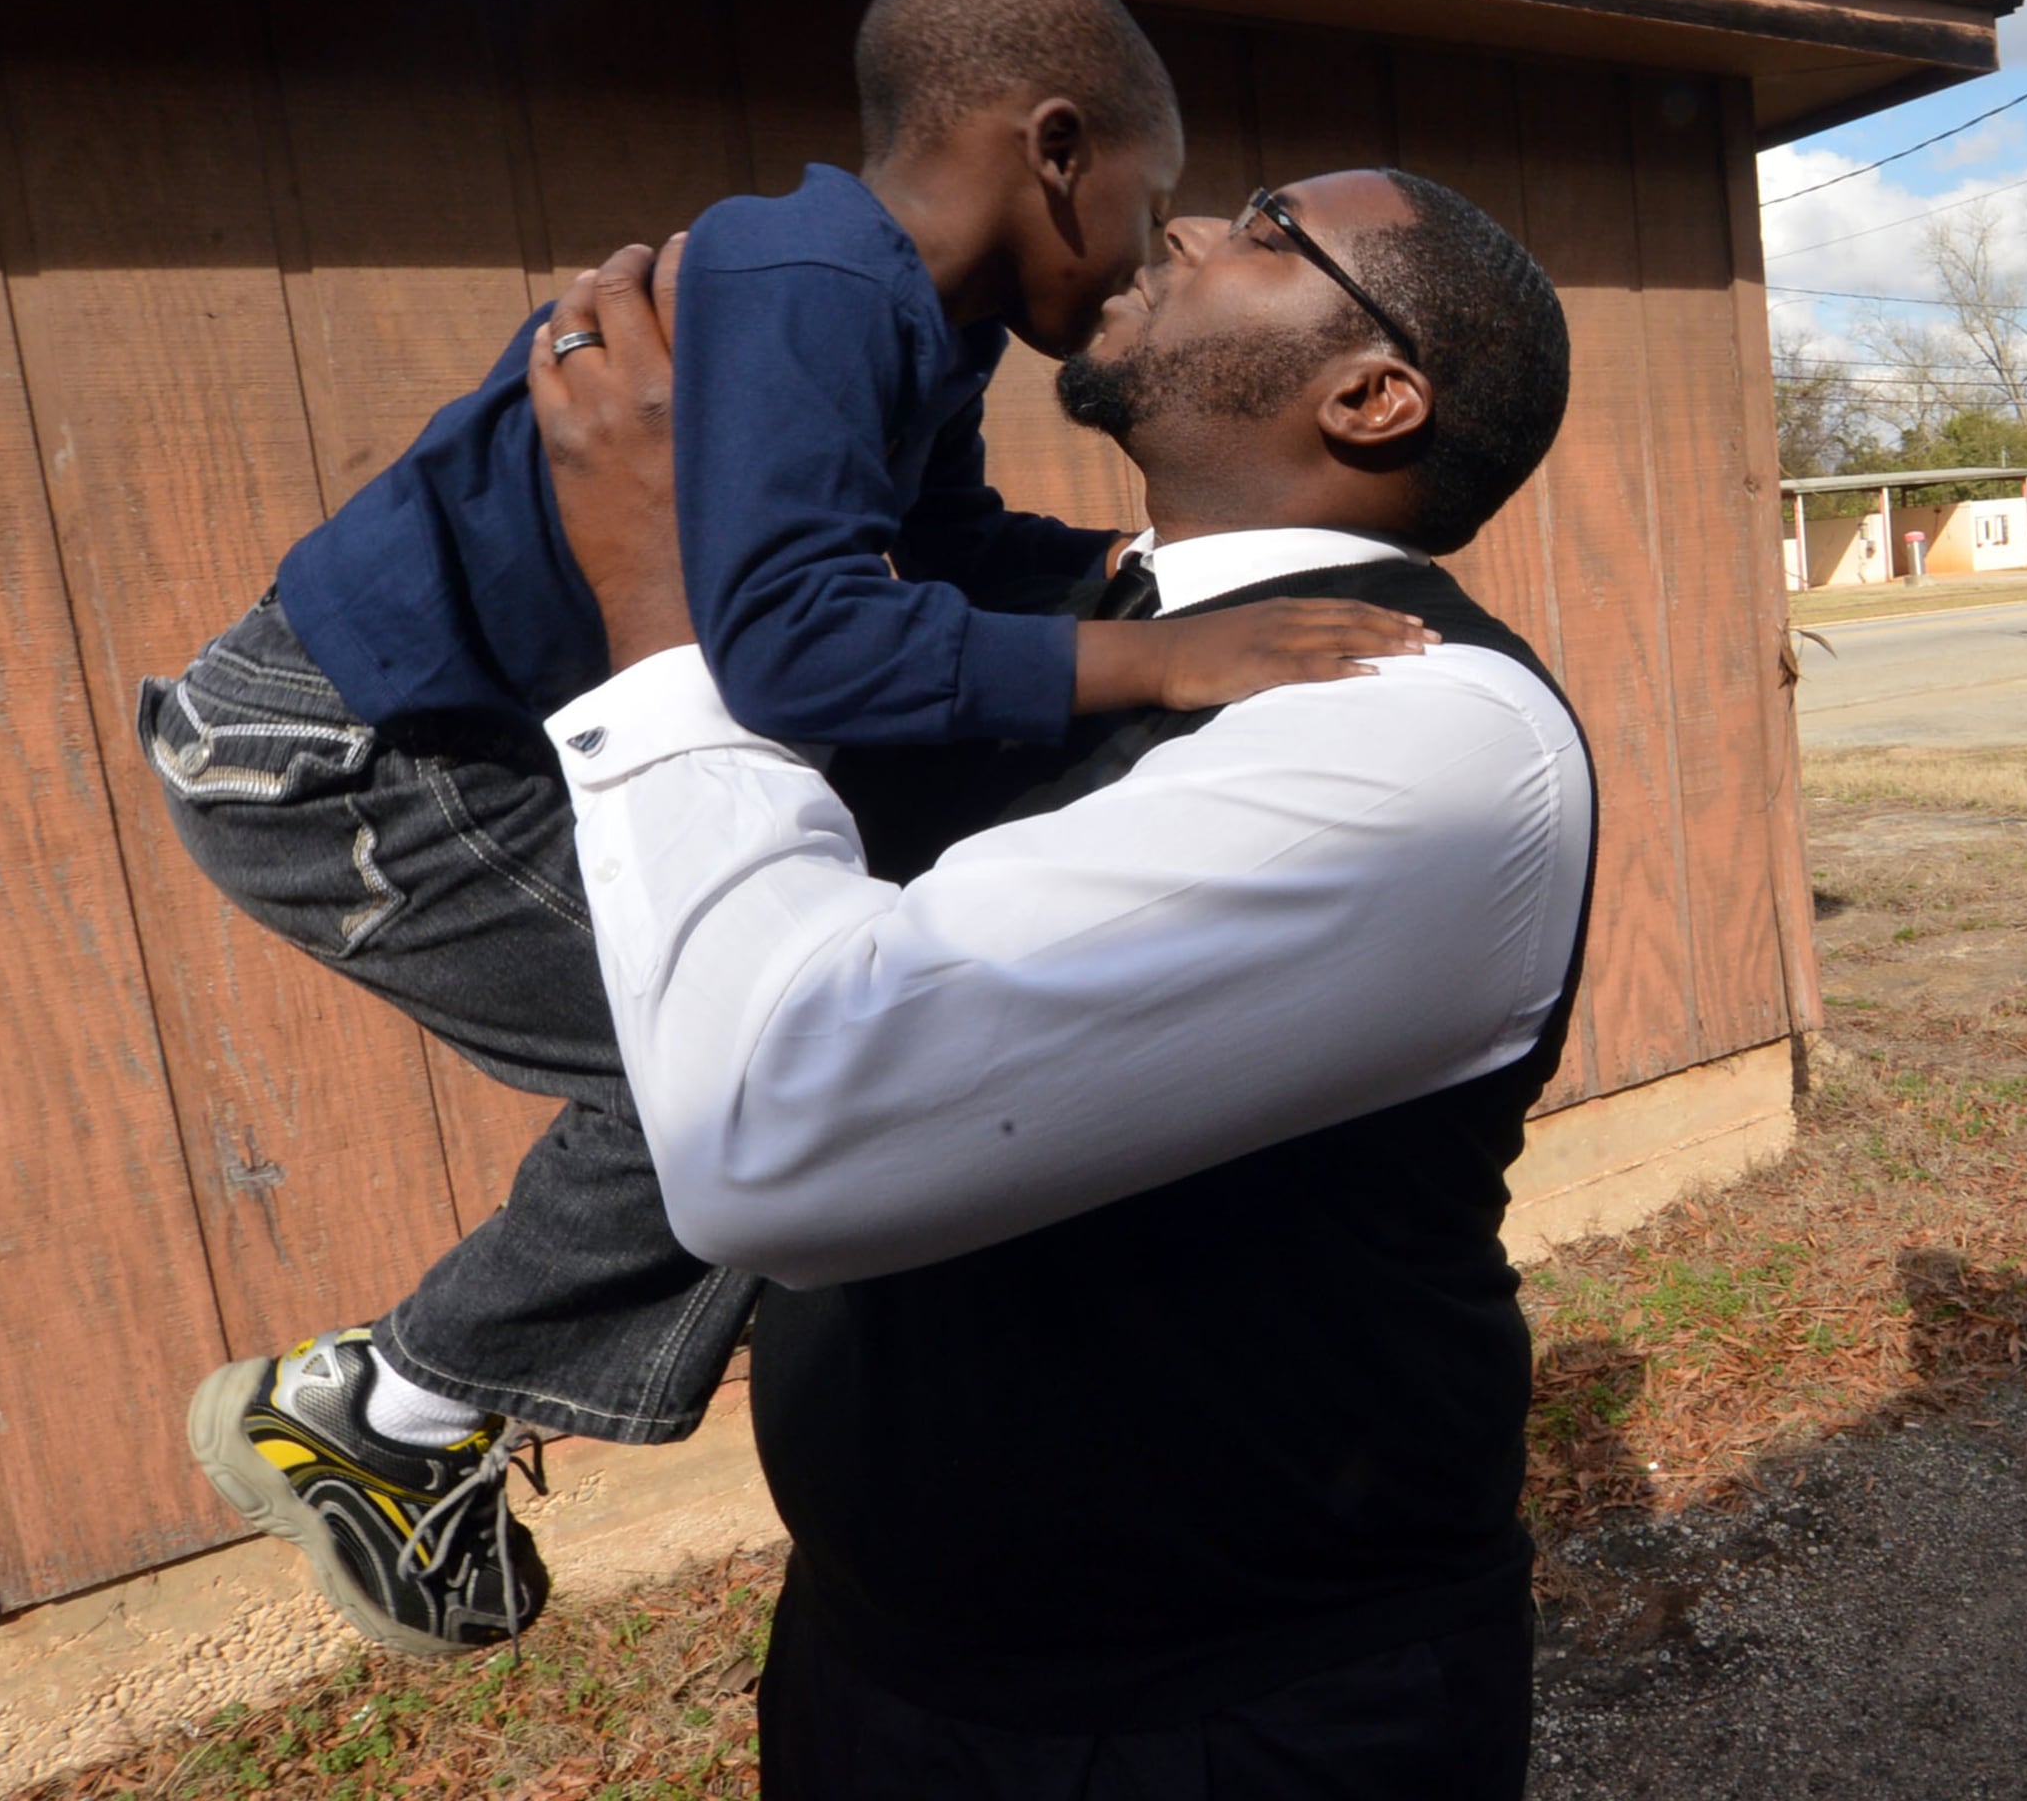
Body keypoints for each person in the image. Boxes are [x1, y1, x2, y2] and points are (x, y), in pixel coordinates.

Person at [142, 0, 1429, 1655]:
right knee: (746, 1081)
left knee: (783, 1060)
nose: (1147, 250)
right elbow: (797, 644)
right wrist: (1153, 664)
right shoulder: (810, 281)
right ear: (1056, 152)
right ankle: (381, 1413)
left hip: (445, 734)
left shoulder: (909, 319)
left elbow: (933, 554)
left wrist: (1125, 570)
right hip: (340, 755)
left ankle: (410, 1408)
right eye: (1151, 195)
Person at [526, 166, 1586, 1797]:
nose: (1180, 228)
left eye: (1262, 227)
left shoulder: (1423, 735)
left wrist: (664, 622)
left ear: (1370, 394)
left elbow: (774, 1132)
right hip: (887, 1666)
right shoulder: (1082, 615)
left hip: (1226, 1723)